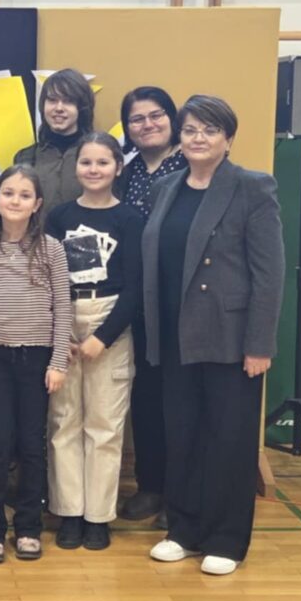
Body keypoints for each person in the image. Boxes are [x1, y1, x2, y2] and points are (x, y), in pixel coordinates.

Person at [142, 95, 284, 575]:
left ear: (228, 138)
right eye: (190, 130)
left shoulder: (251, 187)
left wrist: (259, 344)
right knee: (182, 435)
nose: (198, 138)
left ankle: (226, 538)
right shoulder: (166, 187)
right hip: (175, 334)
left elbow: (269, 274)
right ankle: (183, 530)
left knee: (229, 439)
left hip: (230, 336)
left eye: (209, 130)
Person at [0, 164, 71, 564]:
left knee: (31, 444)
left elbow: (63, 307)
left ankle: (28, 527)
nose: (15, 201)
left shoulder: (51, 249)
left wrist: (58, 362)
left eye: (25, 195)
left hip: (37, 358)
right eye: (8, 193)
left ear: (37, 204)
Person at [45, 132, 143, 551]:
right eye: (86, 162)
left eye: (103, 162)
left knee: (104, 425)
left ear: (118, 168)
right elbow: (47, 277)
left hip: (111, 321)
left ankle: (98, 517)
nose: (94, 169)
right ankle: (69, 511)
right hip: (65, 319)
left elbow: (136, 287)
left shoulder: (130, 219)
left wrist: (103, 337)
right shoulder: (59, 217)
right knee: (64, 421)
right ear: (76, 168)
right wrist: (61, 331)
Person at [115, 86, 188, 525]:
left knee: (183, 400)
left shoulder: (193, 165)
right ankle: (151, 486)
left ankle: (183, 493)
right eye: (137, 119)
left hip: (184, 302)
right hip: (139, 303)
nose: (148, 125)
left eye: (156, 115)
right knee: (146, 397)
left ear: (172, 118)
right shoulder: (125, 173)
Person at [14, 68, 95, 220]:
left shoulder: (98, 156)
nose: (59, 108)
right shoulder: (25, 157)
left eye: (68, 101)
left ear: (82, 107)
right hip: (37, 235)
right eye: (52, 100)